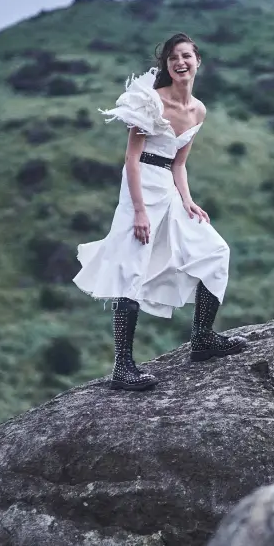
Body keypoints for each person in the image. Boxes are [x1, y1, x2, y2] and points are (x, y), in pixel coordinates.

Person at [73, 33, 246, 390]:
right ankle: (122, 368)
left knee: (215, 252)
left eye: (186, 56)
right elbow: (132, 159)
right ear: (166, 65)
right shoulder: (150, 102)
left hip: (168, 187)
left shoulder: (198, 109)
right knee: (130, 270)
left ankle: (202, 338)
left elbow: (179, 163)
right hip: (140, 189)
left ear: (198, 60)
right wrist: (138, 211)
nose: (180, 63)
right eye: (173, 59)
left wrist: (188, 200)